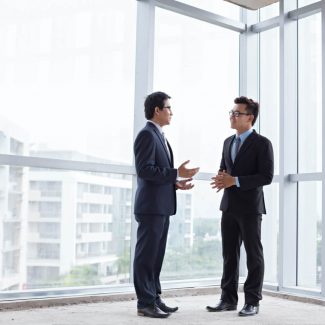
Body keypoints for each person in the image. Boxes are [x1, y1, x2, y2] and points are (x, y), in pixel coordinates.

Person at [133, 91, 199, 318]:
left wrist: (175, 183)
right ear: (157, 111)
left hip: (161, 206)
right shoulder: (147, 135)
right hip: (151, 207)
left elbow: (157, 174)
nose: (172, 112)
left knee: (156, 256)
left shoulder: (159, 135)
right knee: (146, 256)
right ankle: (145, 303)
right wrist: (175, 172)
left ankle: (154, 297)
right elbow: (144, 170)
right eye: (169, 108)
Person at [207, 96, 274, 317]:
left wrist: (234, 180)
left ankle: (252, 301)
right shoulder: (228, 142)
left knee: (254, 255)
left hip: (250, 207)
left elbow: (266, 176)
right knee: (229, 254)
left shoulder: (262, 143)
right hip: (228, 206)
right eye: (231, 112)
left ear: (250, 118)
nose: (232, 116)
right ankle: (227, 299)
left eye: (237, 113)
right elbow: (224, 167)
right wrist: (221, 177)